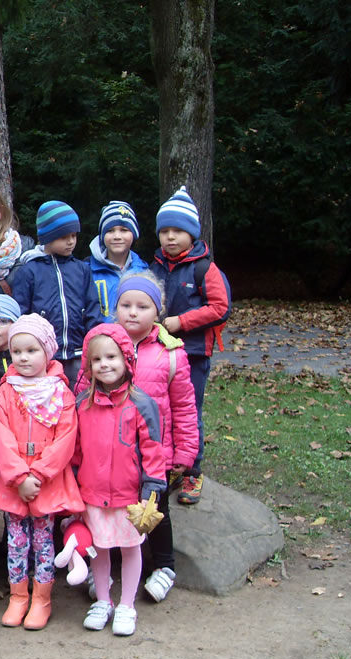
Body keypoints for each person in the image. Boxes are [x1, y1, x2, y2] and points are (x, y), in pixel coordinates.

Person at [0, 314, 84, 630]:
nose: (23, 358)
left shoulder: (61, 393)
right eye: (17, 351)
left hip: (45, 480)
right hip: (14, 481)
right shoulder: (5, 392)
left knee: (44, 541)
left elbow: (65, 438)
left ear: (47, 352)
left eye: (32, 350)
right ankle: (18, 597)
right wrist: (19, 477)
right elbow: (2, 437)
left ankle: (42, 599)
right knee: (16, 540)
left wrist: (38, 475)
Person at [74, 324, 166, 637]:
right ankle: (103, 600)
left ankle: (127, 604)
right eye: (97, 359)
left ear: (126, 358)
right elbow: (76, 452)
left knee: (130, 548)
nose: (104, 364)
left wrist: (152, 488)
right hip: (92, 494)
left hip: (130, 497)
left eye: (111, 357)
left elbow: (153, 449)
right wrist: (73, 487)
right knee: (98, 549)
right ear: (89, 365)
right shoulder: (82, 404)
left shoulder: (141, 403)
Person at [114, 272, 199, 603]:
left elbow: (185, 407)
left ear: (158, 311)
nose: (133, 312)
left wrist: (185, 452)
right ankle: (106, 568)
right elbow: (84, 397)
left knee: (156, 511)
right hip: (113, 452)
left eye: (143, 306)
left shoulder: (171, 354)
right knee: (110, 510)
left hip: (154, 455)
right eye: (126, 305)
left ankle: (164, 567)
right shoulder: (103, 345)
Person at [150, 186, 231, 505]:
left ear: (192, 234)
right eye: (164, 231)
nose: (170, 237)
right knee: (164, 410)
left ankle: (192, 472)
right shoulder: (155, 265)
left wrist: (181, 322)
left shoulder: (203, 268)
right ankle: (171, 466)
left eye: (178, 231)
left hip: (194, 353)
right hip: (160, 353)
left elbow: (220, 308)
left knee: (189, 411)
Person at [13, 200, 102, 389]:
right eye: (63, 237)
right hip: (44, 357)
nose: (71, 242)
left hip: (79, 353)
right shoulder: (29, 271)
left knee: (81, 397)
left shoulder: (82, 270)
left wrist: (95, 343)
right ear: (47, 237)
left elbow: (93, 309)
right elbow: (21, 314)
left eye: (74, 235)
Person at [87, 201, 147, 322]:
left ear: (134, 234)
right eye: (110, 231)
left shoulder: (144, 271)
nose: (117, 236)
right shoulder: (87, 271)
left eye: (124, 230)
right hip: (98, 333)